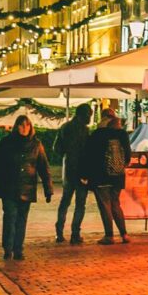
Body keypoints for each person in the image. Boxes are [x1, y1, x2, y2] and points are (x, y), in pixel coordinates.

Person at [0, 115, 53, 260]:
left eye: (27, 125)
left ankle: (18, 249)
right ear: (17, 127)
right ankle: (8, 248)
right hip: (9, 187)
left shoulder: (36, 144)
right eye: (21, 125)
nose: (24, 128)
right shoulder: (6, 143)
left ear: (30, 127)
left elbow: (43, 167)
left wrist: (48, 189)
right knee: (10, 217)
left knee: (21, 220)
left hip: (27, 187)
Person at [81, 108, 131, 244]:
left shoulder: (97, 134)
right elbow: (128, 156)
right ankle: (124, 234)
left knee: (105, 205)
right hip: (118, 175)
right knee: (115, 203)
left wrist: (85, 175)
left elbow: (88, 156)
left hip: (101, 176)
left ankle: (109, 235)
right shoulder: (122, 134)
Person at [53, 103, 92, 244]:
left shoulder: (65, 128)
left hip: (68, 169)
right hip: (82, 170)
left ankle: (59, 232)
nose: (90, 118)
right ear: (85, 114)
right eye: (89, 115)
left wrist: (66, 154)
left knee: (65, 201)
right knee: (80, 204)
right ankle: (75, 233)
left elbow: (56, 148)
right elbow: (89, 153)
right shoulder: (85, 131)